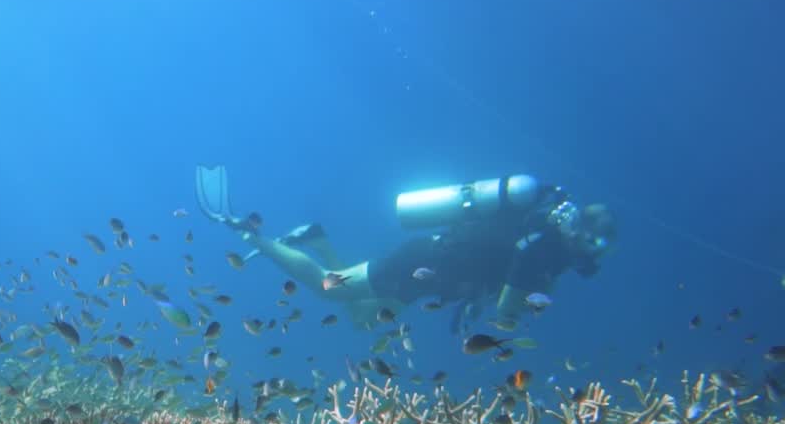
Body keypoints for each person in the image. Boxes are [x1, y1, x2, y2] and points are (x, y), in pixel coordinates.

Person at [195, 165, 616, 331]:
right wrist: (508, 316)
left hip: (429, 277)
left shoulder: (542, 234)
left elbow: (497, 262)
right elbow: (511, 300)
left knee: (361, 318)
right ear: (585, 239)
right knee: (329, 288)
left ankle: (319, 238)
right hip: (424, 262)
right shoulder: (542, 248)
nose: (591, 260)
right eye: (594, 250)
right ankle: (252, 236)